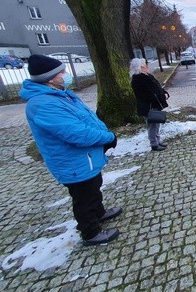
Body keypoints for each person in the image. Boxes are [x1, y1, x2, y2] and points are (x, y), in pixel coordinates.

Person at [19, 54, 121, 246]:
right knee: (84, 196)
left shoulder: (60, 94)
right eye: (62, 72)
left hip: (86, 158)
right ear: (50, 78)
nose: (66, 75)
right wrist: (108, 137)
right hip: (72, 161)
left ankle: (99, 213)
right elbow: (76, 133)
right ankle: (90, 232)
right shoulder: (43, 104)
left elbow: (86, 118)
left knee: (93, 186)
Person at [130, 58, 170, 151]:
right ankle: (154, 144)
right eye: (144, 65)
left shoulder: (148, 76)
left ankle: (158, 140)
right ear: (139, 68)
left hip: (155, 104)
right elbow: (147, 94)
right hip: (148, 106)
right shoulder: (138, 79)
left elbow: (157, 87)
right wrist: (159, 96)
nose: (147, 66)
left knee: (156, 124)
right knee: (152, 125)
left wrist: (164, 93)